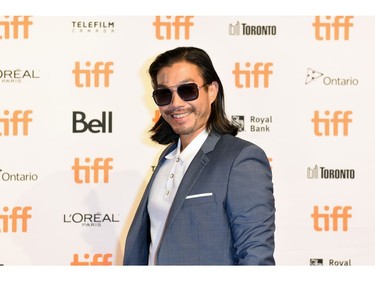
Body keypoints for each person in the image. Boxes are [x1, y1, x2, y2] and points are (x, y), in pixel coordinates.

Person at [123, 46, 275, 265]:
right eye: (164, 94)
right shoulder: (166, 160)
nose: (175, 103)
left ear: (212, 91)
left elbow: (256, 255)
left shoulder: (241, 159)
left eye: (187, 90)